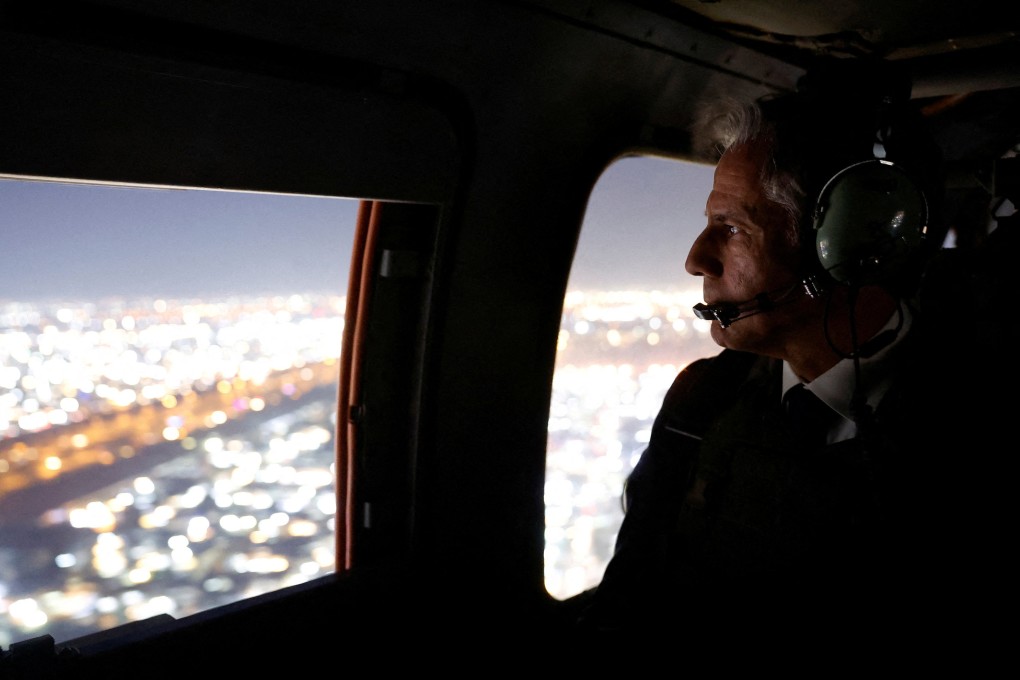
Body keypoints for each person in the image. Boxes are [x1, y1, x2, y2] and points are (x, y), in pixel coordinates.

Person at [572, 60, 1008, 635]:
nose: (695, 259)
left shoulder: (983, 429)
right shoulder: (702, 401)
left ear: (852, 244)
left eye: (731, 228)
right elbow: (627, 601)